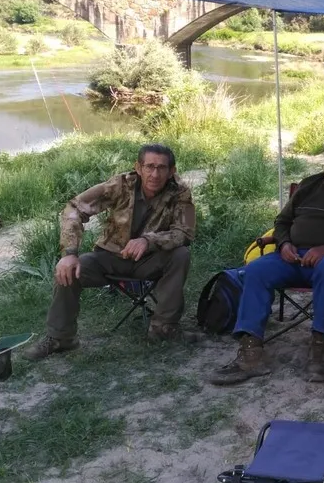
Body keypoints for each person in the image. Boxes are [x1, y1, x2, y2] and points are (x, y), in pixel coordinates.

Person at [208, 138, 324, 385]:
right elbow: (282, 222)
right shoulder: (310, 185)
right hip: (294, 257)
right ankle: (251, 352)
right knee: (256, 269)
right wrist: (284, 244)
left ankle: (320, 348)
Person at [23, 144, 195, 360]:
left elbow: (185, 233)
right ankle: (61, 337)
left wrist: (148, 241)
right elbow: (74, 208)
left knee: (181, 255)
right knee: (69, 270)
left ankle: (163, 328)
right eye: (149, 166)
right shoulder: (120, 185)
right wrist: (69, 253)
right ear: (138, 167)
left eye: (162, 168)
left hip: (149, 261)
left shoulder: (180, 193)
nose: (155, 174)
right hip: (109, 257)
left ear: (172, 171)